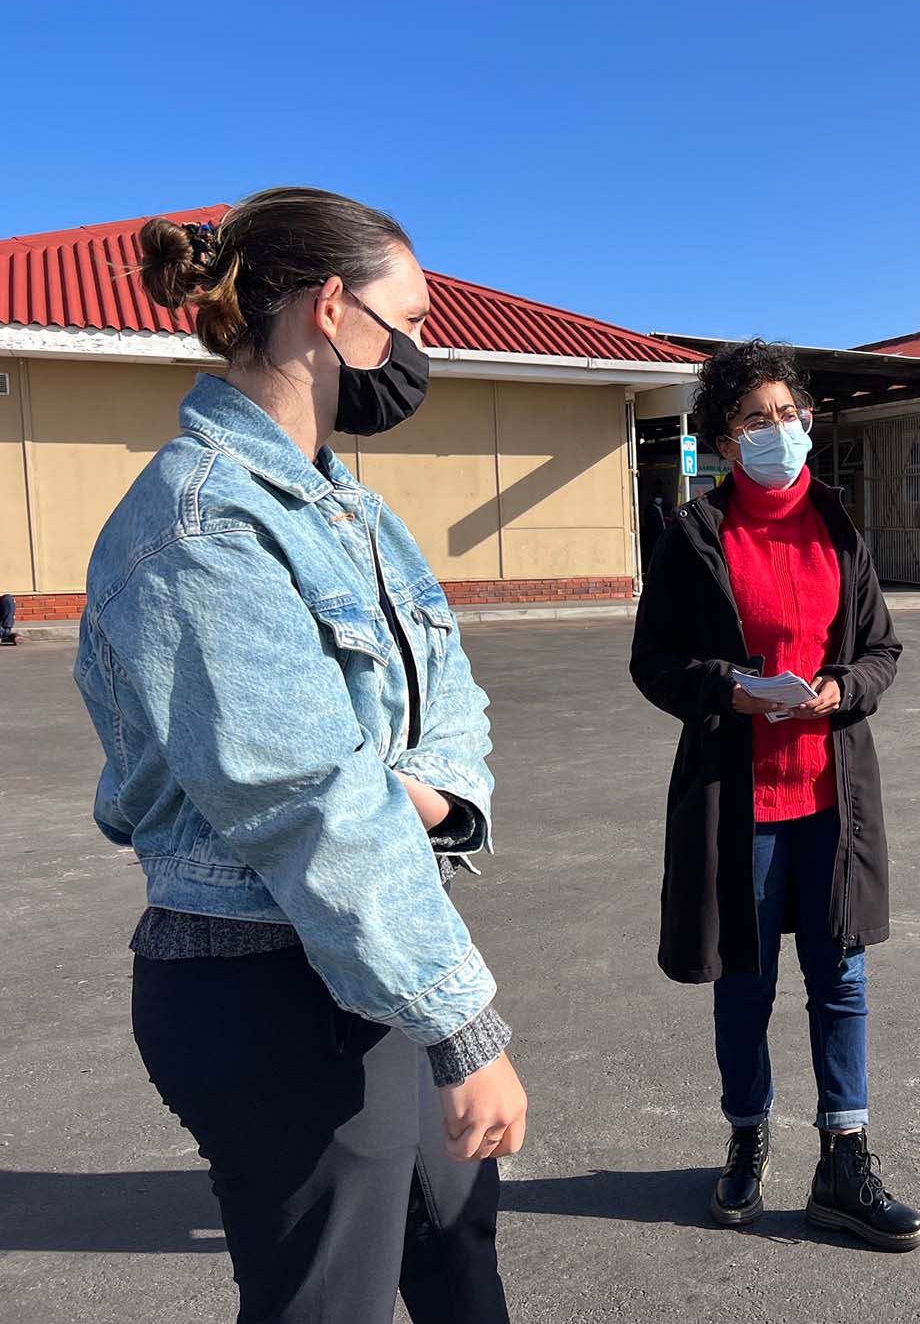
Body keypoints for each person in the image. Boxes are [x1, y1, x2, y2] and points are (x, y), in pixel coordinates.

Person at [73, 189, 526, 1322]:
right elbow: (307, 802)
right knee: (329, 1306)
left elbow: (455, 693)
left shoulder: (349, 513)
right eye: (408, 317)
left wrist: (425, 796)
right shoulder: (197, 527)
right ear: (332, 308)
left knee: (460, 1264)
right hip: (263, 983)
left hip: (368, 966)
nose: (419, 350)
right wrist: (464, 1027)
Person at [629, 339, 920, 1251]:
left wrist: (843, 689)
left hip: (831, 797)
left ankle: (845, 1155)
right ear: (724, 436)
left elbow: (880, 649)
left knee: (841, 976)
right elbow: (655, 662)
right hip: (739, 799)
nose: (779, 430)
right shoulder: (695, 534)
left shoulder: (839, 525)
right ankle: (747, 1135)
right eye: (756, 417)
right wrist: (731, 687)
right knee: (745, 981)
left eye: (789, 412)